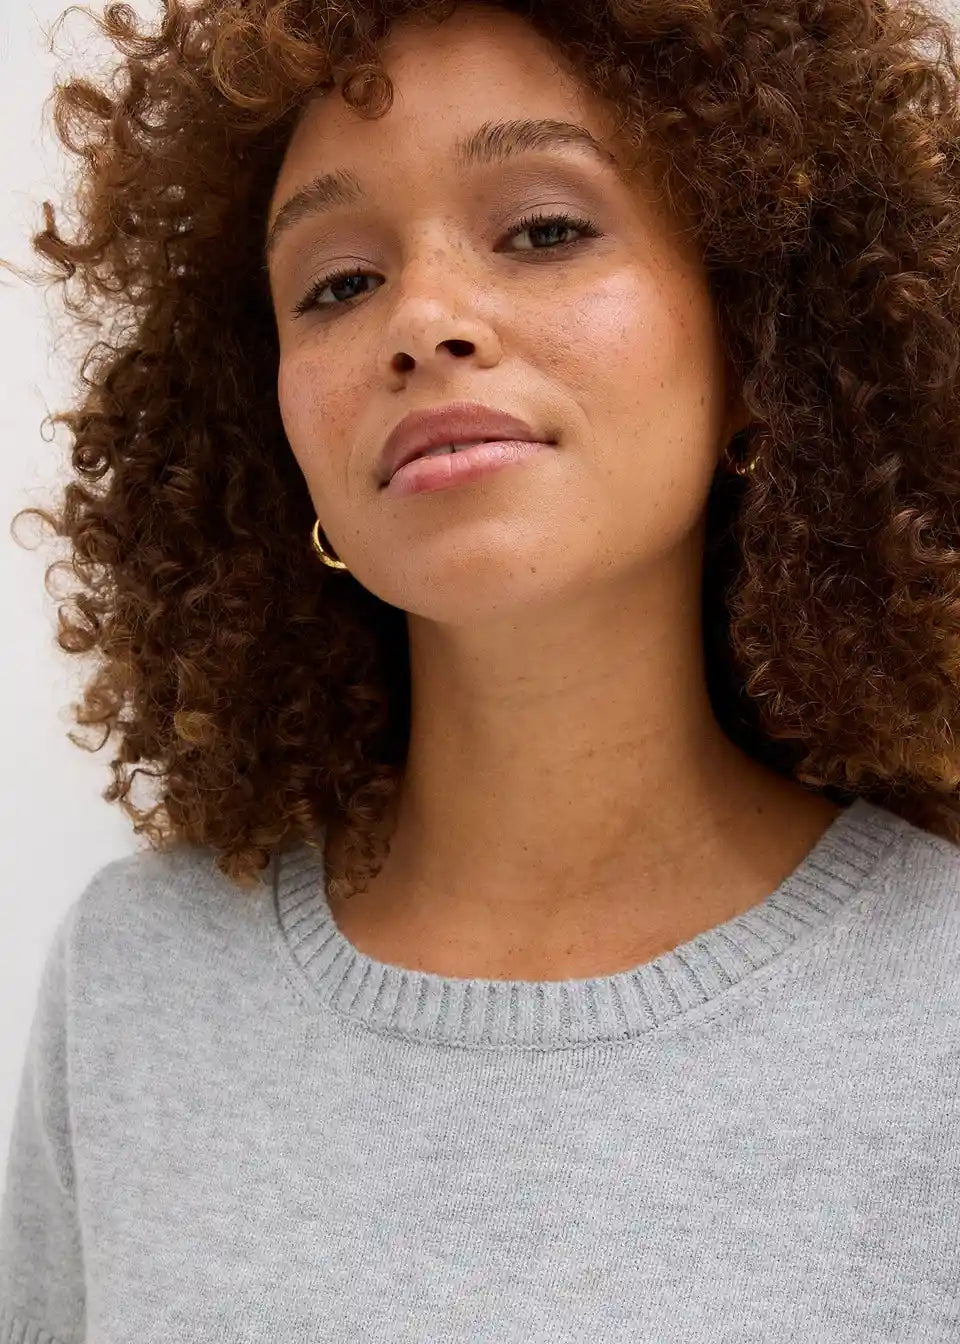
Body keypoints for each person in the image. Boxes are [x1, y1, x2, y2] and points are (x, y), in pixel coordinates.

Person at [3, 0, 960, 1338]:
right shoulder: (139, 985)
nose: (425, 319)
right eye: (339, 284)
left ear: (757, 343)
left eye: (545, 229)